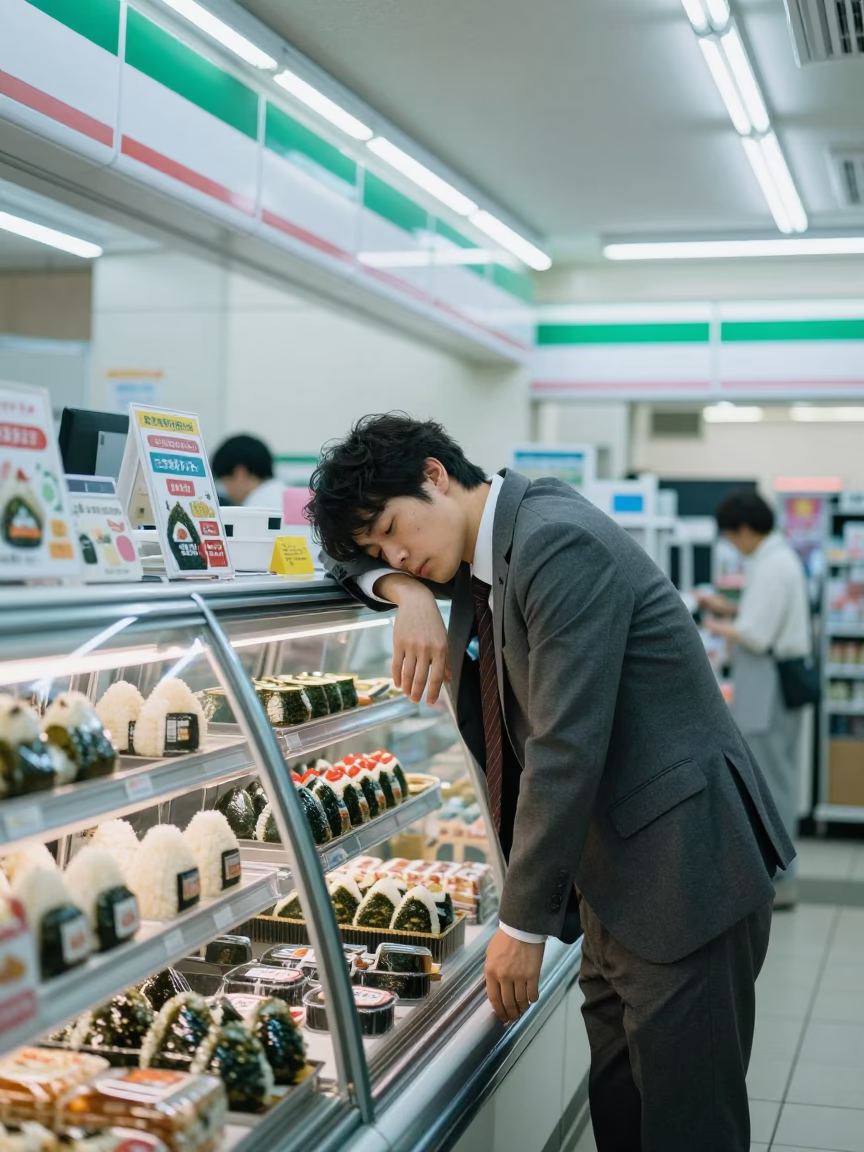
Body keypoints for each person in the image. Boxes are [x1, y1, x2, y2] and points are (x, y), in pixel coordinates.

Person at [307, 414, 794, 1152]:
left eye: (393, 530)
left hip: (687, 875)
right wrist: (402, 590)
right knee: (624, 1116)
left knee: (690, 1129)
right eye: (381, 550)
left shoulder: (554, 541)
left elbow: (567, 746)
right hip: (617, 882)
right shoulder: (484, 552)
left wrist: (520, 924)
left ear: (435, 475)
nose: (396, 552)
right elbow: (336, 563)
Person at [700, 490, 811, 911]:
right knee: (772, 776)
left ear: (746, 531)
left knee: (772, 781)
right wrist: (731, 612)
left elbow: (759, 635)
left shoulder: (772, 566)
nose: (732, 545)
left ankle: (782, 880)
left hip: (768, 686)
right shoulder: (777, 561)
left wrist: (716, 624)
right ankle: (778, 875)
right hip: (770, 683)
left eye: (732, 536)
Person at [212, 434, 285, 508]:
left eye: (224, 482)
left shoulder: (255, 508)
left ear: (240, 474)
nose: (226, 491)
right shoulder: (281, 493)